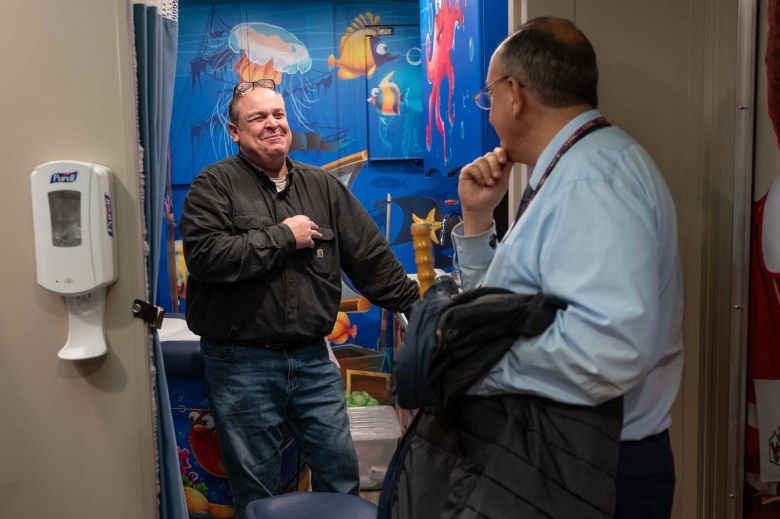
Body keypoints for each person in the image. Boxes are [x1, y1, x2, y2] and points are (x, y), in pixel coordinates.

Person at [453, 16, 684, 519]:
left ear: (514, 94)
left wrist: (479, 366)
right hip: (567, 456)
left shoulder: (592, 181)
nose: (490, 113)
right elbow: (506, 305)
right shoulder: (568, 171)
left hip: (598, 470)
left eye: (488, 96)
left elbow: (608, 349)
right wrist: (477, 218)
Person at [179, 78, 419, 517]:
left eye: (278, 115)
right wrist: (282, 237)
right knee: (258, 493)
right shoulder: (213, 186)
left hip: (312, 359)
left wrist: (418, 308)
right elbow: (206, 257)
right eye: (258, 117)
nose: (273, 124)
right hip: (241, 363)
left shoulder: (323, 188)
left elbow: (370, 258)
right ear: (235, 132)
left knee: (341, 475)